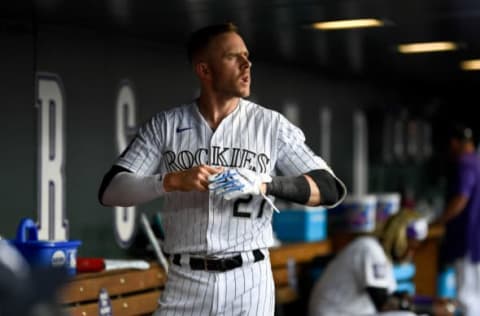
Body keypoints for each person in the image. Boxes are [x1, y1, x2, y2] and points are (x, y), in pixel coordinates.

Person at [98, 22, 347, 316]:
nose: (247, 64)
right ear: (204, 70)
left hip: (249, 278)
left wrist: (264, 185)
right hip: (185, 278)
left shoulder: (270, 125)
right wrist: (171, 180)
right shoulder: (166, 125)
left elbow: (331, 188)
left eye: (247, 56)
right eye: (233, 57)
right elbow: (110, 191)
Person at [308, 209, 454, 316]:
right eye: (410, 246)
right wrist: (432, 309)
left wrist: (430, 301)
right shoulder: (369, 249)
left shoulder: (379, 252)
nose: (411, 253)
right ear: (399, 238)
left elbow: (393, 295)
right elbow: (384, 304)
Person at [433, 123, 480, 316]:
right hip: (476, 240)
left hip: (469, 240)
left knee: (467, 297)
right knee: (476, 295)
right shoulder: (477, 161)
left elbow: (461, 198)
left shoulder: (465, 163)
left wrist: (439, 221)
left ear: (454, 143)